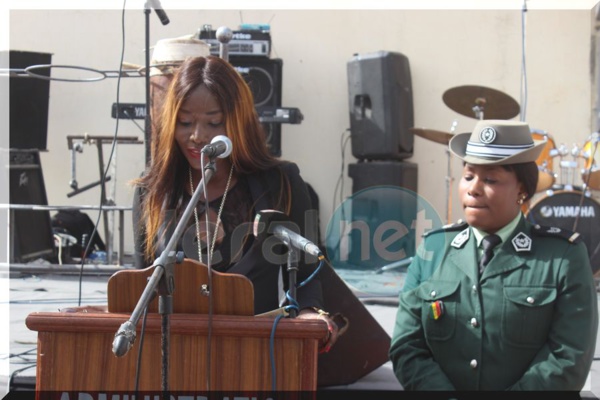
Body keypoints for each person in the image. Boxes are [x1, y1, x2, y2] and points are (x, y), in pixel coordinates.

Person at [130, 55, 340, 352]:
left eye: (213, 122)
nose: (197, 136)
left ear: (238, 121)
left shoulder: (282, 182)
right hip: (172, 354)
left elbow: (309, 276)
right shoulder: (151, 191)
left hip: (254, 352)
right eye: (184, 122)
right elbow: (139, 286)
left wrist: (309, 312)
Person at [389, 119, 598, 391]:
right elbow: (407, 346)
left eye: (490, 179)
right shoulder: (433, 249)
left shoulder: (562, 257)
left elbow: (569, 357)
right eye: (468, 176)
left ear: (522, 190)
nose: (473, 188)